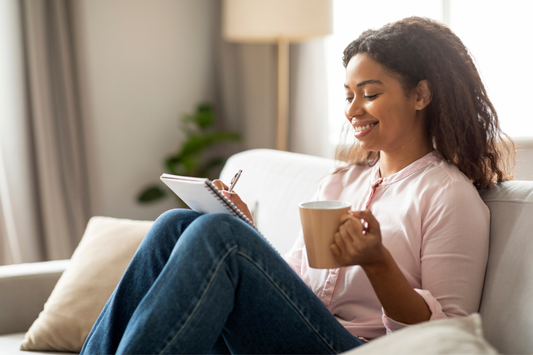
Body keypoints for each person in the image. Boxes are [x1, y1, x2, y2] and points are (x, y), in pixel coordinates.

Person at [81, 16, 515, 354]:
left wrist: (378, 263)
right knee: (175, 223)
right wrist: (246, 231)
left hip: (356, 349)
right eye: (348, 96)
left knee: (221, 238)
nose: (353, 111)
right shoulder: (340, 183)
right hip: (302, 334)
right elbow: (297, 291)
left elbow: (447, 338)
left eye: (369, 92)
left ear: (421, 95)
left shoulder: (448, 195)